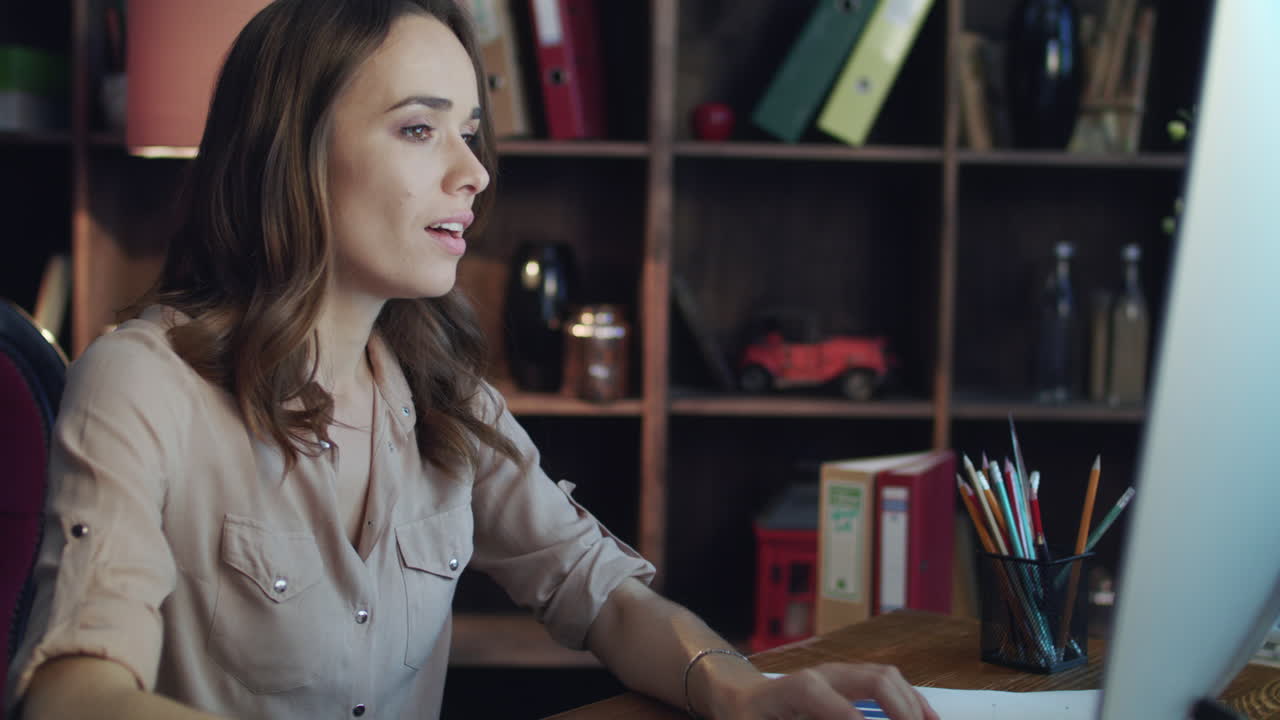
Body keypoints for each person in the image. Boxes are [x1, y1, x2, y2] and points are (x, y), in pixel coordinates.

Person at [5, 2, 940, 719]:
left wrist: (738, 690)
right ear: (293, 152)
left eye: (470, 133)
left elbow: (602, 594)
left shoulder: (444, 395)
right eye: (420, 129)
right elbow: (72, 689)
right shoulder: (143, 381)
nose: (474, 172)